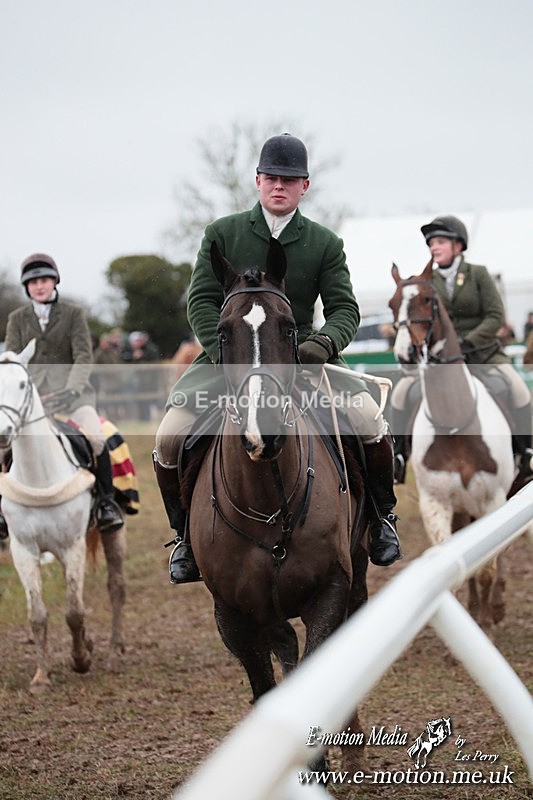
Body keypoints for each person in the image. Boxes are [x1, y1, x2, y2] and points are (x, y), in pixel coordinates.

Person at [154, 133, 401, 584]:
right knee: (170, 436)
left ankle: (382, 518)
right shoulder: (221, 233)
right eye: (271, 177)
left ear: (304, 186)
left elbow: (345, 309)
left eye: (289, 179)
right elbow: (201, 302)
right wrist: (226, 351)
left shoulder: (325, 242)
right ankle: (185, 539)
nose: (279, 186)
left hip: (302, 354)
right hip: (228, 353)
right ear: (257, 180)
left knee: (368, 419)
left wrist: (319, 346)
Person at [391, 215, 533, 482]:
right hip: (440, 361)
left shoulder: (478, 274)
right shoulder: (426, 282)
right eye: (431, 243)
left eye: (441, 242)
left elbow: (494, 316)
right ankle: (399, 457)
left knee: (518, 389)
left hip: (483, 355)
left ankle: (526, 452)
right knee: (400, 394)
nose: (434, 247)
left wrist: (468, 342)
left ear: (458, 246)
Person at [0, 253, 124, 537]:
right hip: (30, 402)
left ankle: (105, 504)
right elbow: (13, 360)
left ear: (54, 281)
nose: (39, 286)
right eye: (33, 283)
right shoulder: (16, 319)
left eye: (44, 280)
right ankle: (3, 512)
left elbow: (83, 356)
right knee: (3, 446)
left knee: (95, 438)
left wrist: (72, 389)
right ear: (26, 287)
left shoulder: (73, 314)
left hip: (73, 397)